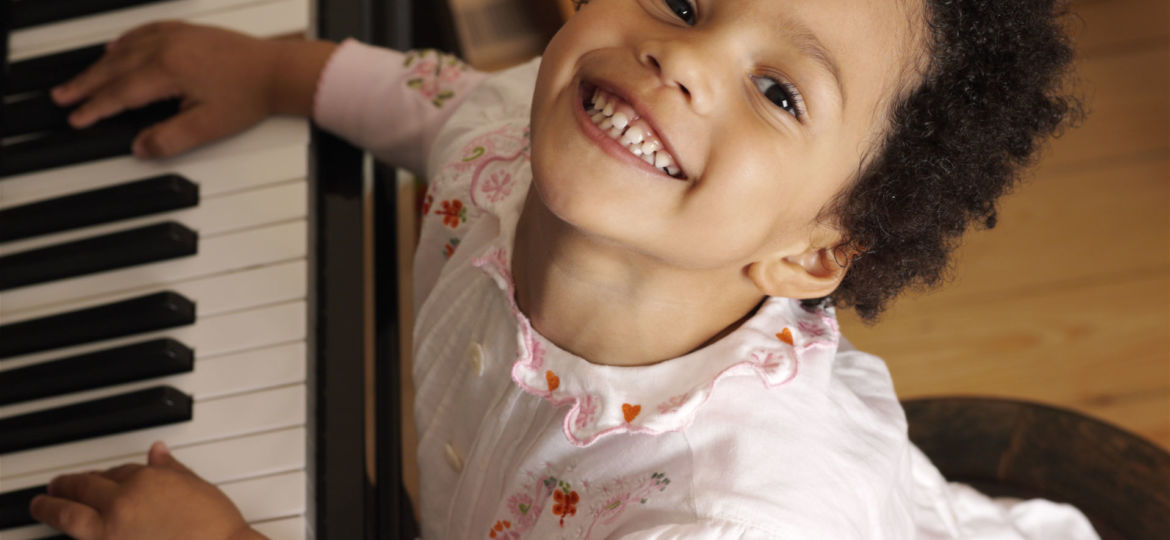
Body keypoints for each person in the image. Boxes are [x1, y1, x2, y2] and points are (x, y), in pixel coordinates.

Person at [29, 0, 1094, 538]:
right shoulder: (517, 144)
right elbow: (439, 103)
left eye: (778, 93)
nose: (681, 55)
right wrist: (273, 70)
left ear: (813, 250)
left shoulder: (727, 517)